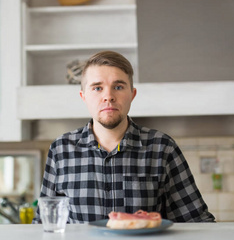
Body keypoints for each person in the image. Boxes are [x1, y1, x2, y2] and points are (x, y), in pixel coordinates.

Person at [34, 51, 215, 223]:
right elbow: (44, 223)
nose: (108, 97)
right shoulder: (61, 149)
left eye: (118, 87)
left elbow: (196, 222)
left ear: (132, 94)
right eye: (97, 88)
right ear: (84, 96)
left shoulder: (162, 148)